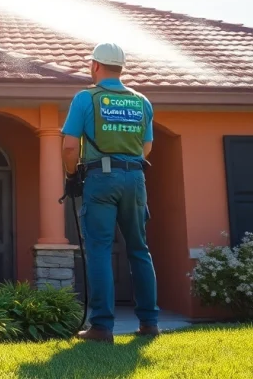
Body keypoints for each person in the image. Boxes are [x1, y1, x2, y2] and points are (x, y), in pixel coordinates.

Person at [60, 42, 159, 343]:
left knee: (100, 249)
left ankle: (102, 327)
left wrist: (72, 173)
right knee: (139, 249)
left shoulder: (86, 98)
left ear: (95, 66)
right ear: (121, 68)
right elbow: (147, 147)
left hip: (101, 179)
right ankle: (149, 323)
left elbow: (68, 146)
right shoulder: (142, 101)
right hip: (136, 178)